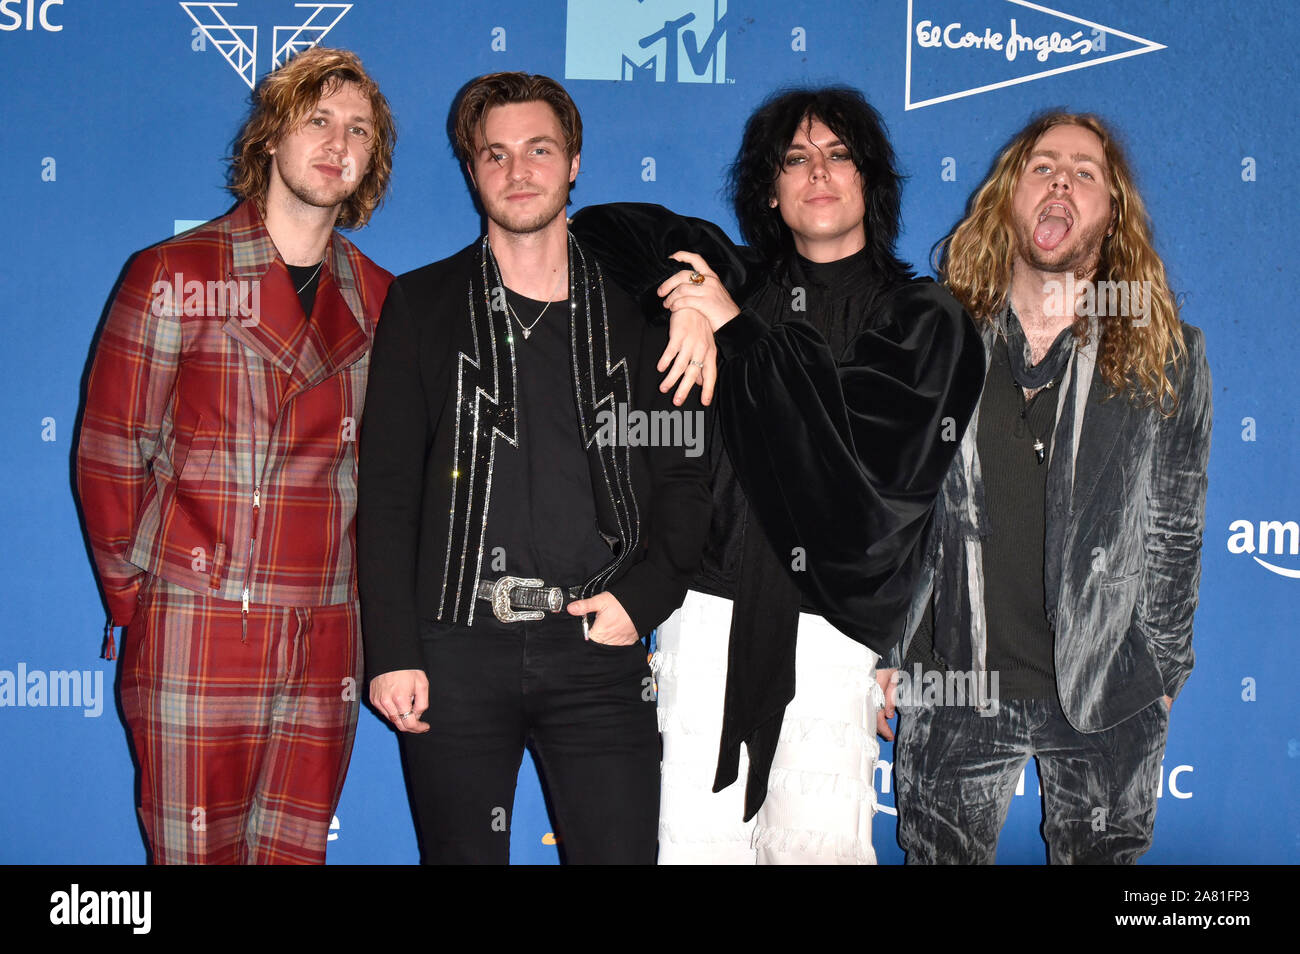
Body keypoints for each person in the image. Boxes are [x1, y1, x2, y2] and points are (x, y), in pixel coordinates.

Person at [572, 86, 984, 864]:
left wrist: (737, 329)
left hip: (832, 634)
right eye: (796, 159)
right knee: (692, 853)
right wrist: (691, 297)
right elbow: (598, 229)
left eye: (839, 156)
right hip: (708, 617)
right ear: (770, 189)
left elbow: (853, 468)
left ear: (871, 181)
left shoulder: (925, 320)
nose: (818, 172)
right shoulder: (733, 281)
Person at [356, 72, 712, 865]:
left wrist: (644, 598)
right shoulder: (422, 305)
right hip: (453, 651)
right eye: (496, 154)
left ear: (575, 163)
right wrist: (393, 651)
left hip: (598, 646)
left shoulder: (646, 313)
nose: (519, 172)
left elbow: (690, 483)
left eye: (539, 150)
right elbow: (385, 497)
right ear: (472, 170)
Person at [75, 48, 395, 864]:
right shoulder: (176, 274)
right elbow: (113, 452)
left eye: (358, 129)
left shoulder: (386, 298)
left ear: (372, 160)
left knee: (296, 855)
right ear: (271, 137)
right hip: (199, 613)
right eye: (317, 119)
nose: (338, 142)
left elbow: (390, 474)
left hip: (327, 628)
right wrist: (141, 596)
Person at [893, 112, 1213, 864]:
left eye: (1085, 173)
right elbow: (899, 506)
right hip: (957, 683)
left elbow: (1175, 526)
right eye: (1042, 166)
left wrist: (1159, 669)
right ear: (1009, 196)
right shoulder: (940, 335)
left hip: (1105, 694)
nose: (1061, 181)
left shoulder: (1166, 353)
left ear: (1111, 213)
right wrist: (891, 650)